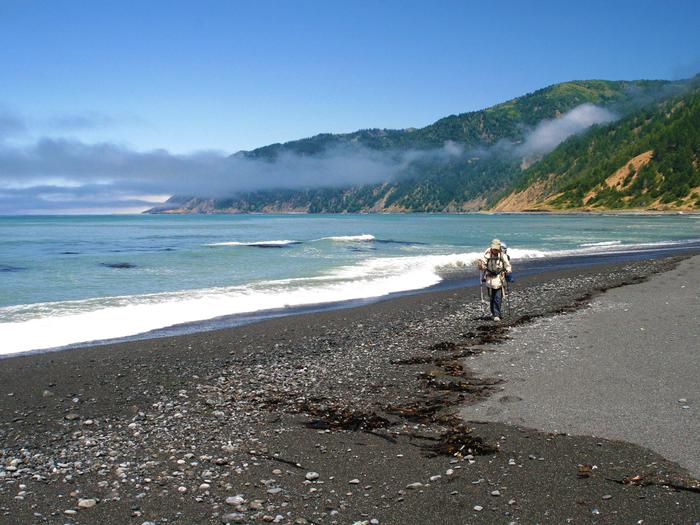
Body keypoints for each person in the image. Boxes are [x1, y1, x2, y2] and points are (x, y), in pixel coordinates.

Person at [478, 239, 512, 321]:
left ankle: (496, 314)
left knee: (498, 297)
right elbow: (483, 264)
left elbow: (507, 264)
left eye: (496, 249)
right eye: (494, 249)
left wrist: (508, 270)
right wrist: (481, 265)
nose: (495, 250)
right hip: (490, 279)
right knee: (492, 297)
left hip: (499, 278)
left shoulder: (502, 254)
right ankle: (494, 313)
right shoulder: (487, 254)